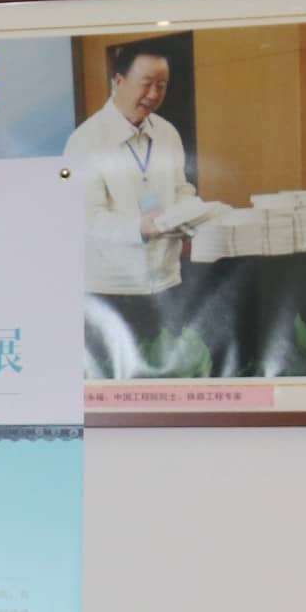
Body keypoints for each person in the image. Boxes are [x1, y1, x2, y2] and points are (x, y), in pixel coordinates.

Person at [64, 40, 199, 370]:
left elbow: (180, 188)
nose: (153, 94)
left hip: (165, 280)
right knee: (117, 383)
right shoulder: (86, 140)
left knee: (165, 378)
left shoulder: (167, 133)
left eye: (161, 85)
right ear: (119, 81)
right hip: (111, 289)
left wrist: (190, 213)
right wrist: (140, 228)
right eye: (146, 83)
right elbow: (86, 218)